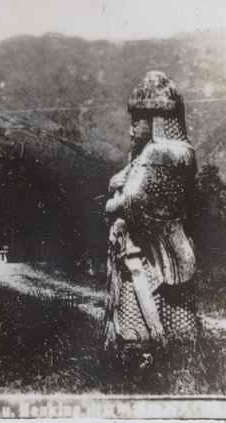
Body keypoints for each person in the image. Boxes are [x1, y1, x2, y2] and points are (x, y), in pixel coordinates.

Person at [105, 71, 197, 345]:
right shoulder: (154, 153)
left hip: (152, 256)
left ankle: (147, 350)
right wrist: (115, 191)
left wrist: (114, 201)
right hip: (142, 252)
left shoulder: (162, 154)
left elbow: (133, 200)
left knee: (151, 319)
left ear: (155, 120)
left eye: (137, 121)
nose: (132, 129)